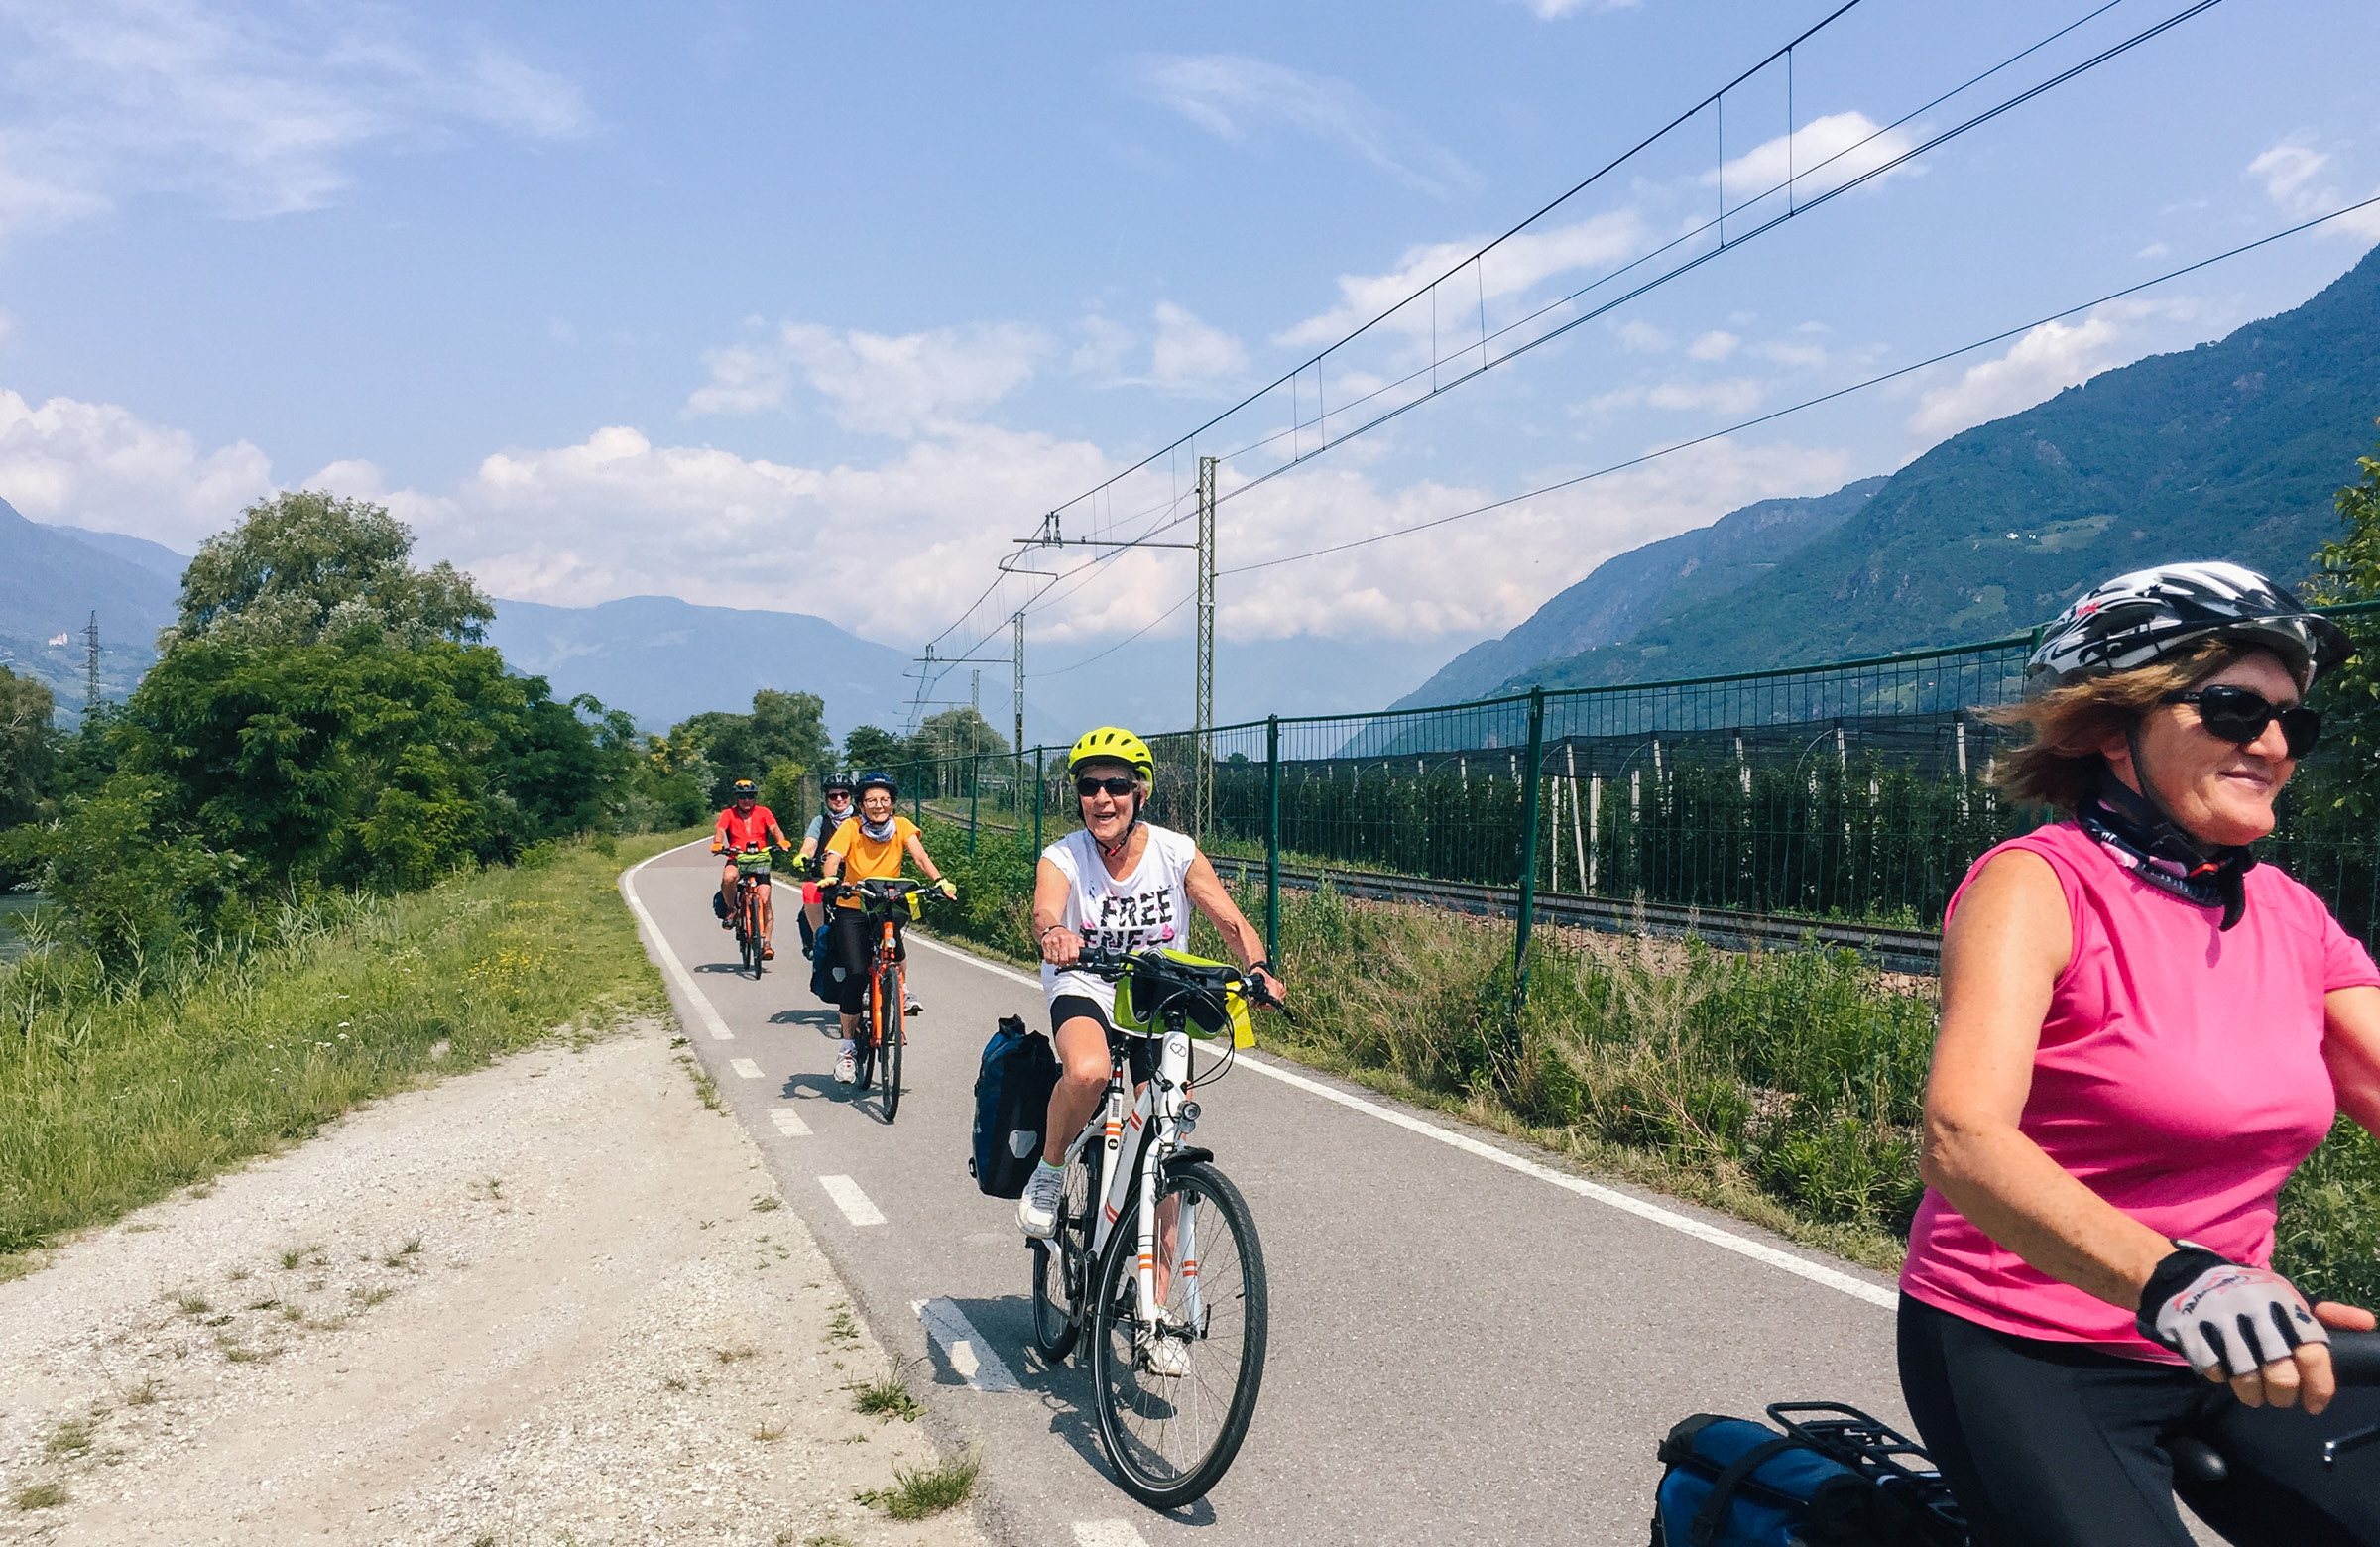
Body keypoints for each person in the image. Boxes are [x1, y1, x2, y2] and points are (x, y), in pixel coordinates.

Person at [1900, 561, 2380, 1547]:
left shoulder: (2296, 920)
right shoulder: (2035, 887)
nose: (2275, 744)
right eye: (2235, 709)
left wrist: (2220, 1299)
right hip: (2031, 1344)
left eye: (2296, 722)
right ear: (2115, 728)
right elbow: (1961, 1137)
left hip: (2245, 1343)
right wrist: (2180, 1281)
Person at [1018, 727, 1285, 1259]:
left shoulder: (1175, 852)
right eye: (1089, 786)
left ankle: (1159, 1326)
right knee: (1089, 1072)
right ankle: (1049, 1171)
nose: (1101, 799)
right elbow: (1046, 909)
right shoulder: (1064, 855)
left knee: (1166, 1142)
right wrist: (1055, 934)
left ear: (1140, 793)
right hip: (1086, 980)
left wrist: (1257, 967)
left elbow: (1230, 921)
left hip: (1156, 994)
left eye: (1115, 785)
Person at [816, 771, 955, 1085]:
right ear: (862, 805)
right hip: (853, 904)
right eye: (870, 801)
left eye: (884, 800)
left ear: (892, 803)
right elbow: (833, 857)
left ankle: (899, 987)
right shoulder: (851, 827)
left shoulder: (902, 827)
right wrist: (829, 877)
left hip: (886, 902)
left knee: (894, 946)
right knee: (855, 974)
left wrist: (939, 880)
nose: (878, 805)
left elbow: (919, 856)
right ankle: (847, 1050)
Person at [711, 777, 791, 958]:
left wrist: (781, 841)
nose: (746, 800)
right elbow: (721, 831)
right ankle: (732, 909)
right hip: (737, 857)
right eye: (742, 797)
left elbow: (775, 828)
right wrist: (718, 843)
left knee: (764, 899)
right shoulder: (728, 814)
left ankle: (766, 944)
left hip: (760, 860)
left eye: (749, 796)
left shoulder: (763, 812)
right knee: (728, 877)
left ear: (754, 797)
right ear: (736, 798)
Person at [796, 774, 857, 948]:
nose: (839, 799)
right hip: (825, 877)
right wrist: (804, 856)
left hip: (856, 876)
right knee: (810, 891)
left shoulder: (860, 820)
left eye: (843, 795)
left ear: (850, 797)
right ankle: (819, 940)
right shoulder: (820, 821)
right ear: (826, 799)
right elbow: (810, 843)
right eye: (833, 796)